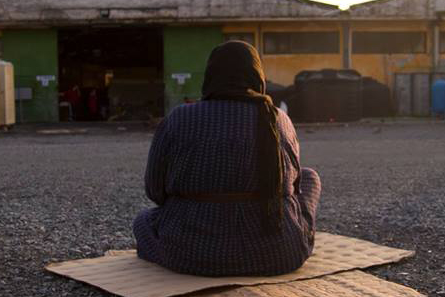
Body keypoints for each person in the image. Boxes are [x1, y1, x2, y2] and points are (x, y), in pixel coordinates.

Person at [133, 41, 321, 276]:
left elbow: (155, 191)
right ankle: (298, 234)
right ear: (258, 76)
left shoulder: (179, 117)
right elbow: (293, 187)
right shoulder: (279, 119)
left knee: (142, 221)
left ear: (210, 76)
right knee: (310, 177)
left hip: (189, 253)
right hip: (279, 253)